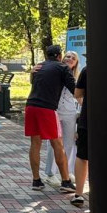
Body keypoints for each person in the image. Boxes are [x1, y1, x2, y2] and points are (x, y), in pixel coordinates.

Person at [25, 45, 76, 192]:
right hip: (47, 109)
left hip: (31, 106)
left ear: (47, 55)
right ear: (60, 56)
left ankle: (36, 181)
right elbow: (74, 90)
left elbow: (34, 82)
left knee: (35, 144)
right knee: (57, 144)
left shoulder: (39, 66)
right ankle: (66, 182)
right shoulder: (63, 68)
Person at [43, 51, 80, 182]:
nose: (70, 59)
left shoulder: (77, 78)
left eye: (73, 58)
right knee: (53, 142)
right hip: (55, 110)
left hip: (70, 112)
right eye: (68, 56)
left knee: (69, 143)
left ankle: (67, 171)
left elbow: (79, 96)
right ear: (62, 58)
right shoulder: (54, 72)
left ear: (76, 63)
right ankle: (50, 174)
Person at [71, 66, 89, 206]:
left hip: (88, 120)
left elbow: (77, 94)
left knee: (82, 156)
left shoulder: (87, 70)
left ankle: (78, 194)